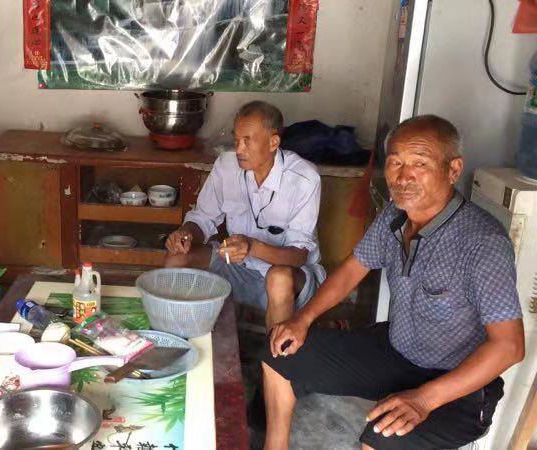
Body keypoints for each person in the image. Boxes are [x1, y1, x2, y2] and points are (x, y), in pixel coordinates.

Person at [262, 115, 525, 450]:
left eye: (420, 163)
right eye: (395, 162)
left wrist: (424, 400)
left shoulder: (482, 242)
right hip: (395, 352)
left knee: (382, 436)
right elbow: (352, 270)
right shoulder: (393, 216)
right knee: (280, 350)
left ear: (453, 170)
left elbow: (509, 346)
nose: (402, 176)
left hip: (457, 385)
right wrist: (302, 319)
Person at [165, 101, 326, 329]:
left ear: (273, 142)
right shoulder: (226, 166)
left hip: (288, 277)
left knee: (279, 279)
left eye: (247, 141)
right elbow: (202, 218)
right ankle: (178, 336)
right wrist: (186, 234)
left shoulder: (305, 178)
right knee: (177, 258)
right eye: (236, 140)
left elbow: (298, 256)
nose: (239, 149)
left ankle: (276, 352)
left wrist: (252, 247)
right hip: (237, 266)